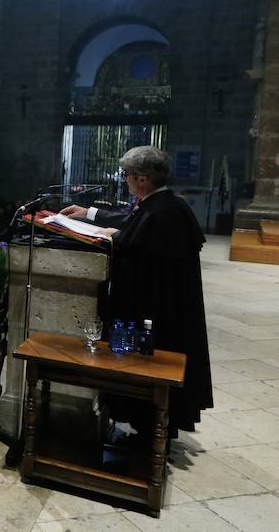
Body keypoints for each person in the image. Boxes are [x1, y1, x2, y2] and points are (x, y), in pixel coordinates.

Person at [60, 146, 213, 439]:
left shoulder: (162, 212)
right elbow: (134, 227)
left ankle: (148, 430)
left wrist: (114, 238)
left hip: (155, 316)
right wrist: (92, 215)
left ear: (143, 179)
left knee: (143, 364)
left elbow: (137, 247)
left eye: (126, 174)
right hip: (161, 309)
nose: (124, 179)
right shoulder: (164, 205)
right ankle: (146, 426)